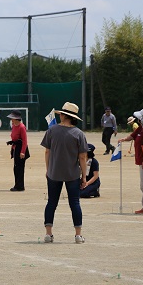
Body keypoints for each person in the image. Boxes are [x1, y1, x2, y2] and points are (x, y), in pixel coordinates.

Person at [41, 102, 88, 244]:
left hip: (54, 173)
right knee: (74, 203)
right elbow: (82, 157)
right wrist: (84, 176)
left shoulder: (51, 131)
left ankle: (48, 234)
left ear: (63, 115)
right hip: (72, 173)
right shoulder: (79, 134)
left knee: (51, 203)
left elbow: (47, 151)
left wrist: (48, 169)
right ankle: (78, 235)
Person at [6, 110, 29, 191]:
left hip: (21, 149)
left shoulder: (22, 127)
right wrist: (12, 149)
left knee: (19, 168)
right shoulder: (14, 125)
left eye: (12, 118)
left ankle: (20, 186)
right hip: (16, 148)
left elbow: (25, 141)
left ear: (16, 119)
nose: (11, 119)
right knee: (16, 168)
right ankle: (17, 184)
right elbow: (14, 138)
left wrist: (22, 152)